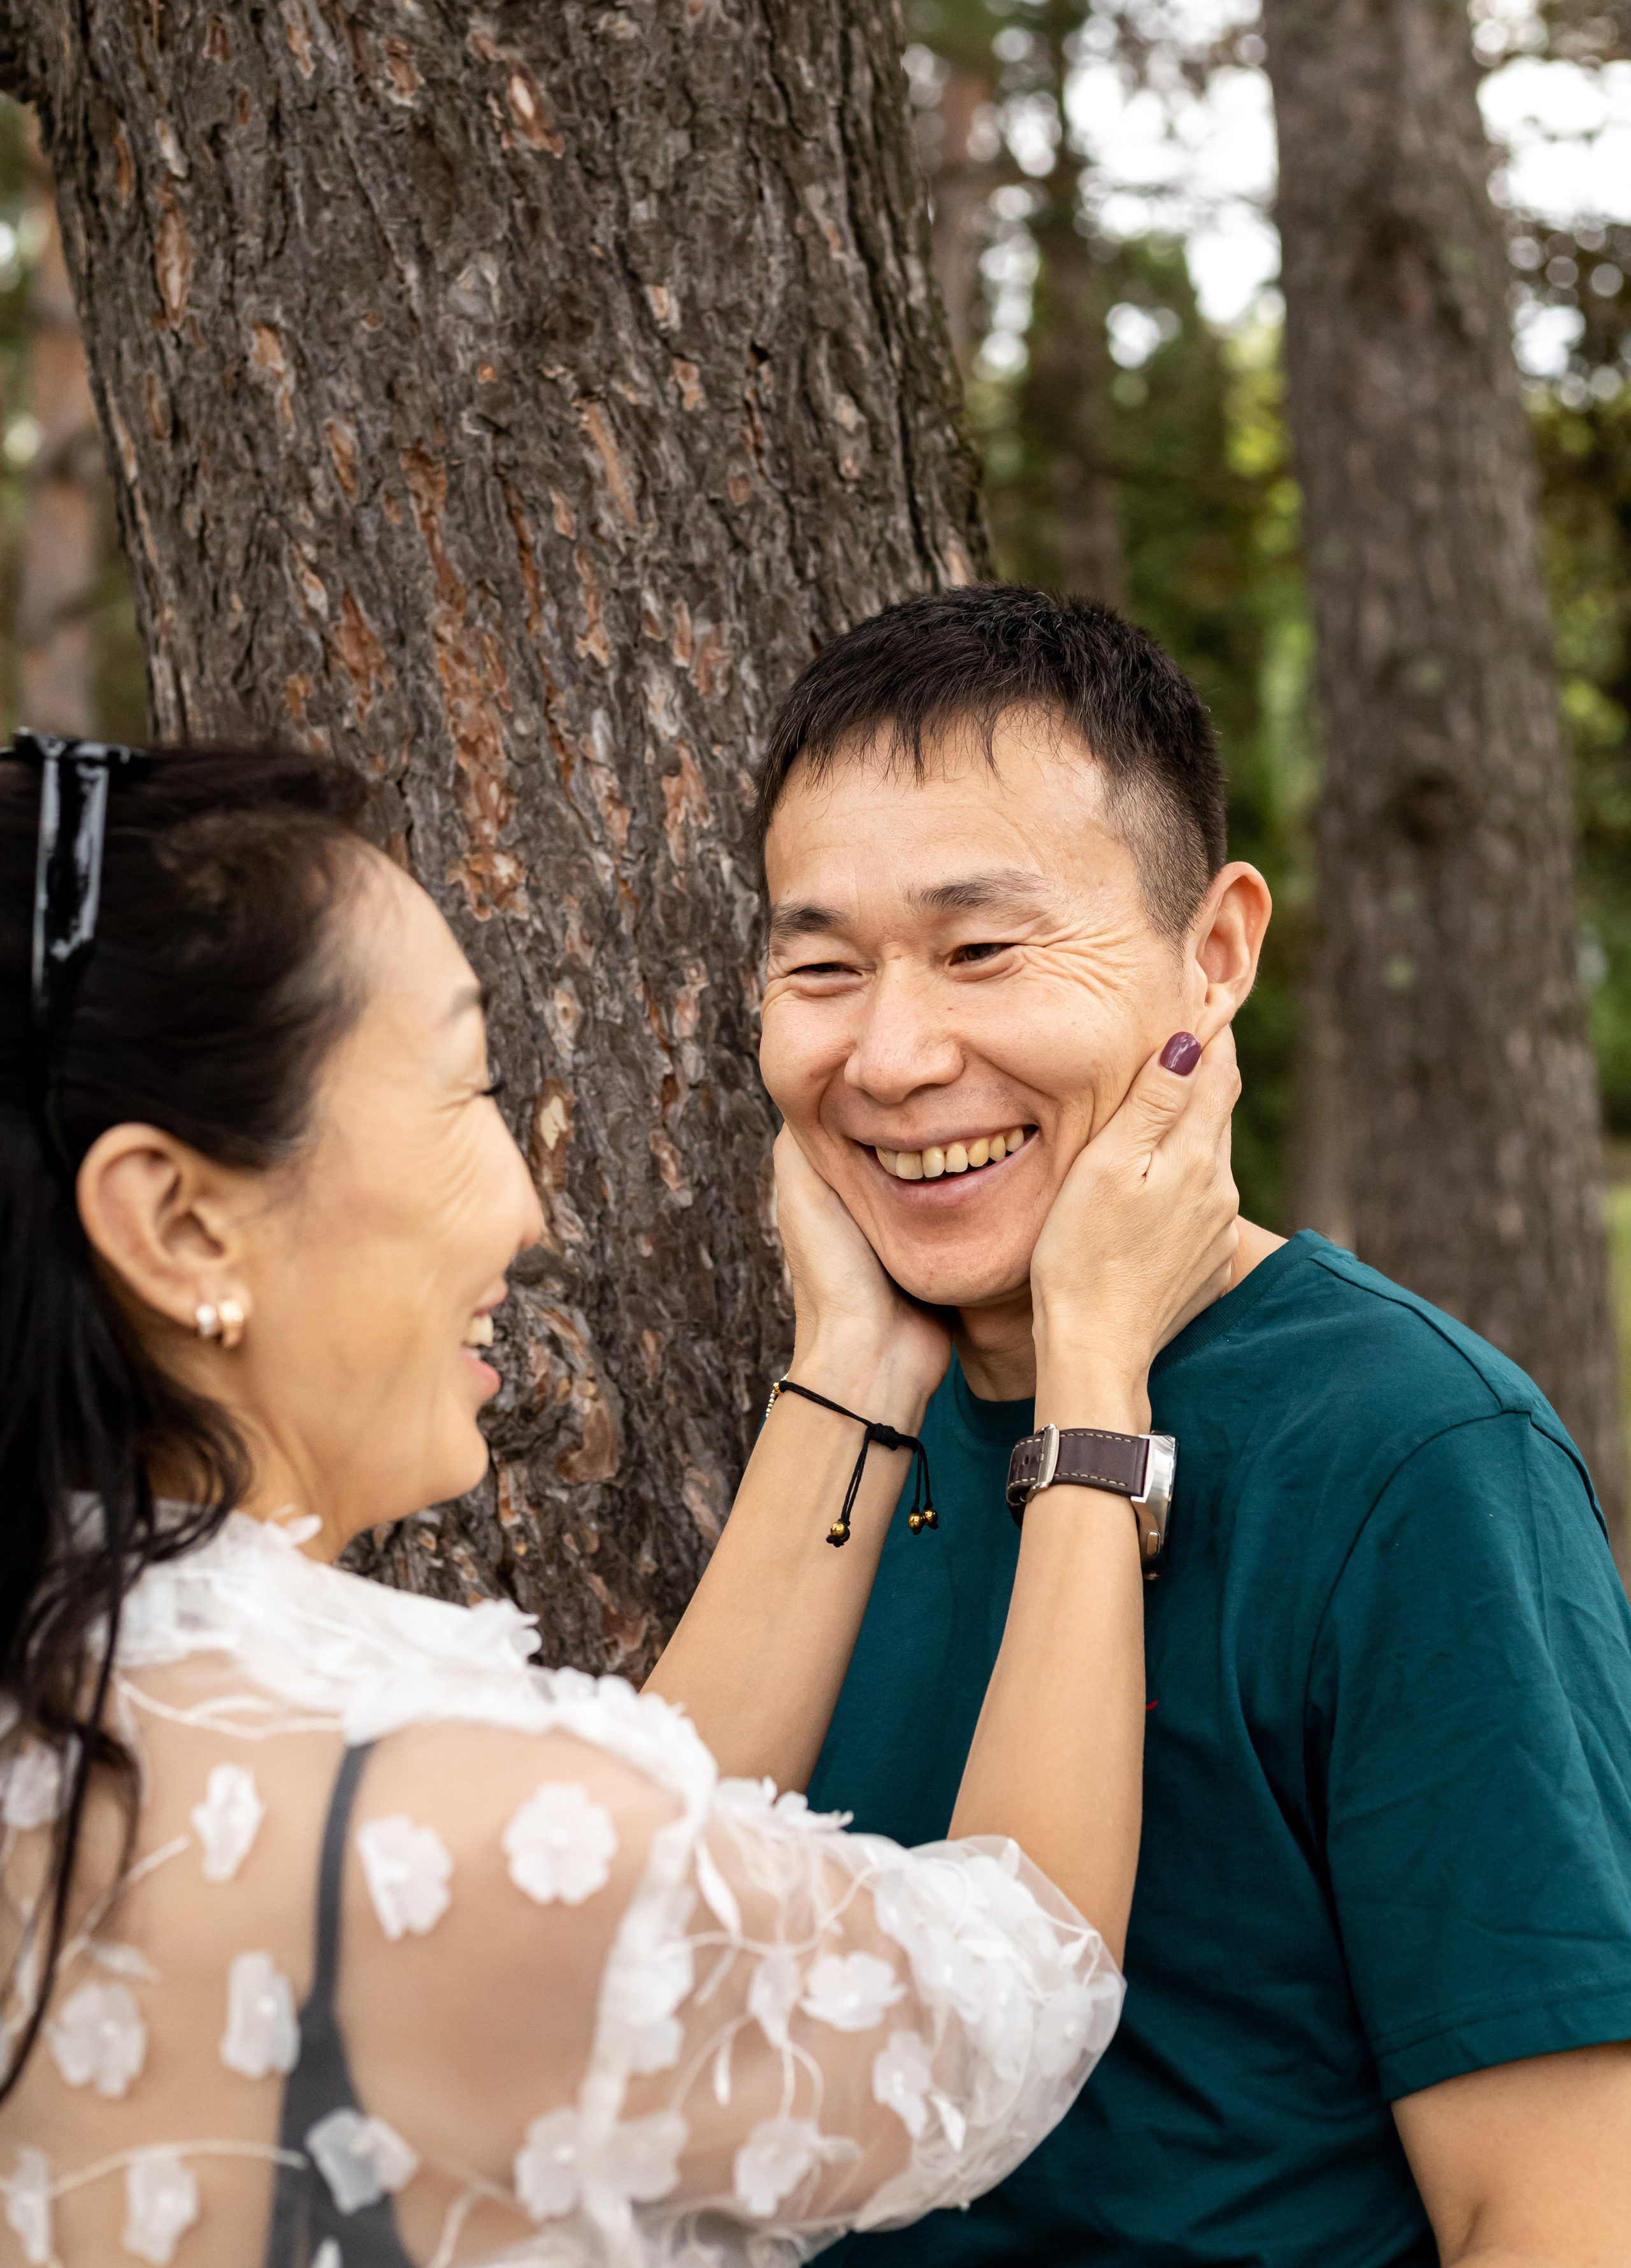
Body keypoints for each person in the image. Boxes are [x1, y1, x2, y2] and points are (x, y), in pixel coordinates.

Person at [0, 731, 1237, 2267]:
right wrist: (1097, 1369)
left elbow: (641, 1894)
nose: (524, 1205)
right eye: (461, 1094)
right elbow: (1018, 1984)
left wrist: (856, 1354)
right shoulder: (425, 1819)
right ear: (177, 1222)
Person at [752, 586, 1631, 2268]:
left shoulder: (1413, 1458)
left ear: (1214, 953)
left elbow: (1564, 2214)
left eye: (984, 949)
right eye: (821, 967)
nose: (894, 1052)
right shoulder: (847, 1420)